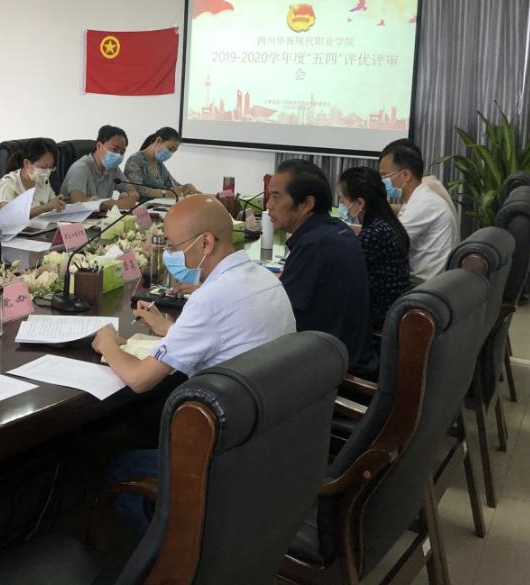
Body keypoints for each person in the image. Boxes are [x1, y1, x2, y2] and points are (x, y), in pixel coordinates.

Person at [92, 195, 296, 534]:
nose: (169, 254)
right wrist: (168, 329)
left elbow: (140, 379)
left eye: (173, 246)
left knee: (119, 466)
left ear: (206, 243)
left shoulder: (210, 300)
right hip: (266, 438)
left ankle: (170, 555)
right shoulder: (265, 279)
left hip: (224, 454)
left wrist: (108, 345)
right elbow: (225, 336)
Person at [267, 159, 377, 376]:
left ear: (306, 203)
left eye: (276, 197)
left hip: (331, 371)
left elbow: (280, 314)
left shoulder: (313, 244)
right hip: (349, 354)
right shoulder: (338, 229)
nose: (269, 204)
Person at [338, 166, 411, 322]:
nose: (341, 203)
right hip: (390, 308)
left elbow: (341, 272)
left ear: (359, 202)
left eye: (342, 199)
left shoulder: (373, 235)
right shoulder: (386, 224)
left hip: (377, 315)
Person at [379, 143, 458, 281]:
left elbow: (386, 245)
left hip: (423, 286)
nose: (383, 182)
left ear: (405, 175)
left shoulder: (423, 203)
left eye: (385, 176)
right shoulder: (417, 197)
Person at [59, 125, 139, 210]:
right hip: (74, 217)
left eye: (122, 152)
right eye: (114, 149)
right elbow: (80, 204)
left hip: (99, 216)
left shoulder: (113, 169)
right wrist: (119, 203)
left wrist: (129, 195)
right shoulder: (81, 168)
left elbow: (133, 192)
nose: (118, 155)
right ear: (99, 146)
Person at [0, 138, 66, 217]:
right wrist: (45, 208)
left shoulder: (42, 179)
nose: (47, 173)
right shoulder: (8, 182)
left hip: (39, 224)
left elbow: (52, 204)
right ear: (27, 163)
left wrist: (58, 203)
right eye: (43, 167)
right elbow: (7, 215)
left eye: (50, 167)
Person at [123, 127, 197, 199]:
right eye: (170, 149)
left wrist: (185, 187)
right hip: (140, 206)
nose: (170, 154)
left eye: (173, 151)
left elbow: (172, 184)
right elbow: (135, 189)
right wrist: (164, 193)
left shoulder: (159, 164)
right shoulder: (135, 160)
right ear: (158, 141)